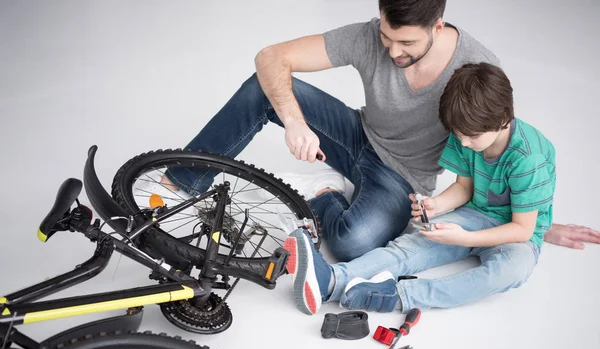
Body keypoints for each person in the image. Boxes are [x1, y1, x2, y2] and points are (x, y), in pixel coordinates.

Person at [154, 0, 599, 261]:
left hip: (402, 177)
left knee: (351, 244)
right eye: (388, 36)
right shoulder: (372, 36)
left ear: (438, 26)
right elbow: (271, 57)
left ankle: (326, 193)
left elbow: (498, 159)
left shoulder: (478, 68)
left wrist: (539, 223)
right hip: (356, 135)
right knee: (261, 90)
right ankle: (177, 182)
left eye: (406, 42)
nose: (392, 50)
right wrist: (293, 121)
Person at [283, 62, 557, 315]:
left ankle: (400, 296)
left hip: (517, 236)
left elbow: (523, 229)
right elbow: (465, 187)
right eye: (459, 136)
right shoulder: (470, 135)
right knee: (414, 243)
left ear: (503, 120)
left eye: (470, 137)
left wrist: (465, 239)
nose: (463, 144)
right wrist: (437, 205)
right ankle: (330, 281)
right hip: (476, 215)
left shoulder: (527, 159)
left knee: (511, 271)